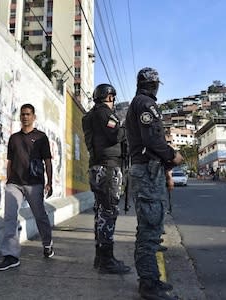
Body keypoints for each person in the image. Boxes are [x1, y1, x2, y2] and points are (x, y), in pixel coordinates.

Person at [125, 67, 183, 300]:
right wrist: (172, 155)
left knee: (148, 229)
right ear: (154, 84)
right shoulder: (146, 104)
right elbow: (152, 139)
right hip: (148, 171)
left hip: (147, 170)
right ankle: (149, 284)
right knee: (150, 230)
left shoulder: (138, 103)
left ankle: (150, 280)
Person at [0, 104, 54, 271]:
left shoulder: (41, 137)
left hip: (34, 183)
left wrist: (49, 182)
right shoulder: (14, 138)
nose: (25, 117)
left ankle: (47, 243)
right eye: (22, 114)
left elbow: (48, 161)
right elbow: (10, 161)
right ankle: (11, 255)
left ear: (34, 116)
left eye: (28, 114)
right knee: (10, 218)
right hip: (15, 183)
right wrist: (8, 181)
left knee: (40, 216)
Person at [82, 83, 131, 274]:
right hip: (108, 168)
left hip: (98, 167)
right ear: (109, 97)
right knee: (108, 212)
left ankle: (100, 257)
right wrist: (126, 128)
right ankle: (106, 261)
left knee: (101, 212)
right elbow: (114, 134)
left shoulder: (90, 116)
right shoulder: (103, 113)